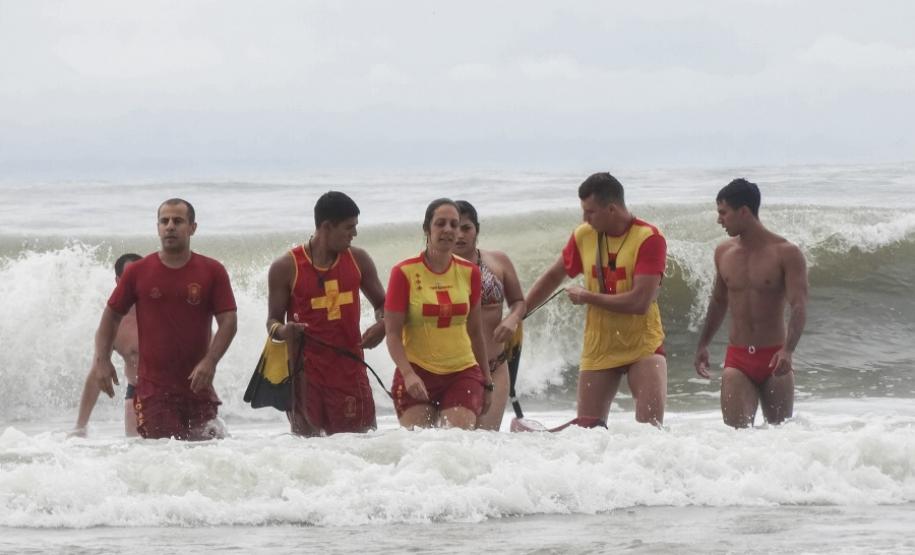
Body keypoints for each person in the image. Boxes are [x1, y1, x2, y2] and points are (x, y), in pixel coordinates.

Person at [524, 172, 668, 427]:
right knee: (587, 432)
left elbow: (639, 302)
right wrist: (519, 314)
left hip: (642, 346)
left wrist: (587, 296)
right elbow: (554, 276)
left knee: (651, 431)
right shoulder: (584, 235)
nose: (585, 219)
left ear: (611, 209)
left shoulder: (649, 238)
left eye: (590, 212)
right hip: (599, 346)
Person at [90, 199, 237, 440]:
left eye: (178, 221)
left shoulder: (212, 270)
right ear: (157, 227)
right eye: (164, 221)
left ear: (192, 227)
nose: (170, 226)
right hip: (153, 392)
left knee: (209, 455)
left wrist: (211, 361)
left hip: (198, 388)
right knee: (163, 456)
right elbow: (111, 316)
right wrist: (102, 360)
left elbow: (229, 321)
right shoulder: (138, 271)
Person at [267, 191, 386, 436]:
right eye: (349, 227)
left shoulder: (359, 260)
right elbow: (272, 322)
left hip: (351, 371)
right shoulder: (286, 267)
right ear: (326, 227)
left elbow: (384, 306)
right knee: (309, 448)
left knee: (364, 444)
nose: (354, 233)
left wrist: (382, 326)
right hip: (305, 376)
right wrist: (285, 331)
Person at [694, 178, 808, 428]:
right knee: (736, 437)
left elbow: (799, 305)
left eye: (723, 213)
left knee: (781, 435)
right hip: (738, 359)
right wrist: (703, 344)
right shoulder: (723, 252)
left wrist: (788, 350)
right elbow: (719, 301)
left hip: (775, 357)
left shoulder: (787, 253)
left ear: (744, 211)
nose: (719, 220)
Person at [385, 198, 493, 430]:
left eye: (454, 224)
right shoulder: (403, 272)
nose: (448, 230)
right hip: (416, 371)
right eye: (440, 223)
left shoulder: (470, 272)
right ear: (427, 229)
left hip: (463, 372)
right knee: (420, 446)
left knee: (453, 443)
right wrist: (408, 374)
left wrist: (487, 380)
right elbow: (392, 334)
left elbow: (476, 332)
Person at [453, 200, 525, 430]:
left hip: (495, 368)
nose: (460, 235)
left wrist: (512, 319)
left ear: (477, 230)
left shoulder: (498, 261)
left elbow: (518, 302)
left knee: (487, 441)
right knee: (455, 443)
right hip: (452, 371)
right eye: (454, 227)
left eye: (466, 228)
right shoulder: (434, 269)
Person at [73, 253, 142, 437]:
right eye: (130, 277)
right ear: (118, 281)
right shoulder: (112, 323)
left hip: (171, 391)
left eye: (141, 276)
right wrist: (80, 427)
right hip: (136, 392)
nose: (137, 282)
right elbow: (97, 373)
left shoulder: (164, 311)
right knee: (138, 449)